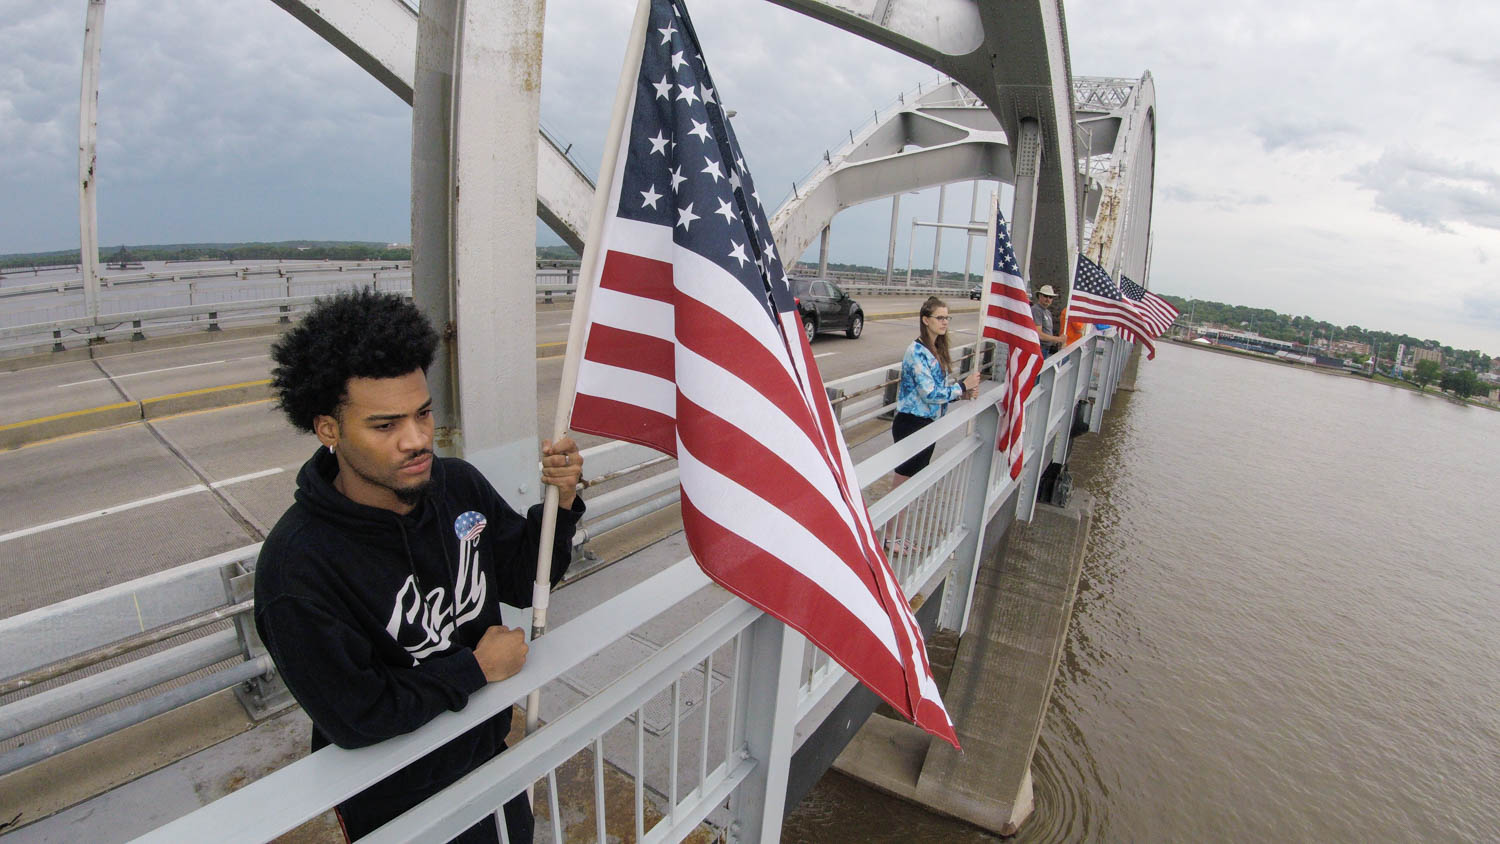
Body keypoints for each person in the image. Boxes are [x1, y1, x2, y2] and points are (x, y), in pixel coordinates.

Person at [253, 290, 584, 844]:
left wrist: (563, 505)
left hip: (488, 762)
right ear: (329, 429)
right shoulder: (297, 570)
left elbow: (530, 579)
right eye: (385, 426)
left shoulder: (456, 485)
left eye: (423, 413)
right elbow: (356, 715)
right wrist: (474, 670)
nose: (417, 439)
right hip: (396, 803)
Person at [887, 296, 980, 550]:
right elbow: (930, 393)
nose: (945, 322)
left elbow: (940, 389)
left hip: (927, 422)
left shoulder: (935, 350)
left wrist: (962, 393)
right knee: (903, 481)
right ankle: (891, 537)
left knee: (911, 484)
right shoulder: (916, 352)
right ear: (925, 320)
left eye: (947, 317)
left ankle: (897, 535)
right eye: (940, 317)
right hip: (911, 423)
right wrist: (962, 387)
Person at [1032, 284, 1066, 357]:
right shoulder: (1036, 310)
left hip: (1046, 349)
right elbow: (1039, 334)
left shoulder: (1048, 312)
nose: (1048, 299)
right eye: (1045, 296)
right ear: (1040, 296)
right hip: (1038, 349)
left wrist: (1057, 342)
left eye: (1050, 297)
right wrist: (1058, 339)